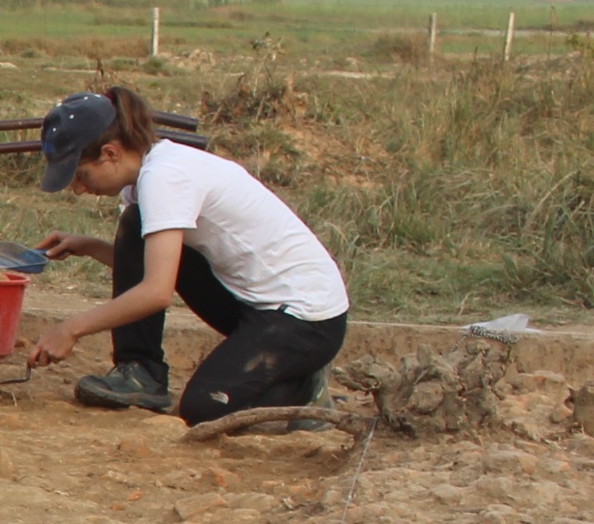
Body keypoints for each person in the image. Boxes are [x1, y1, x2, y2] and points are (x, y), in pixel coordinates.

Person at [22, 86, 351, 423]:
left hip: (306, 320)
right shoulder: (145, 177)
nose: (78, 189)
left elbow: (157, 292)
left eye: (80, 175)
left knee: (205, 408)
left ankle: (304, 391)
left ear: (110, 153)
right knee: (136, 224)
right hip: (254, 303)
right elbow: (153, 268)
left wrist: (71, 329)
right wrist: (89, 247)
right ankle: (141, 372)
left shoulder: (166, 177)